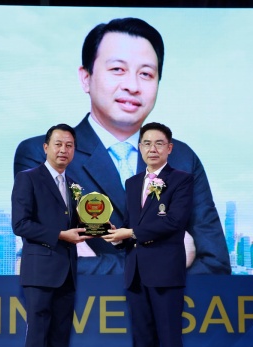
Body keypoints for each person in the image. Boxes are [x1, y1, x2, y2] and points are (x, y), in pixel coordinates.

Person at [14, 17, 230, 275]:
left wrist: (94, 264)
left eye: (146, 74)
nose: (132, 86)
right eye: (118, 69)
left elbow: (215, 265)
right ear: (86, 78)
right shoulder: (42, 153)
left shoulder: (181, 158)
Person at [103, 122, 192, 347]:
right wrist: (118, 236)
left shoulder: (181, 180)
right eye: (146, 143)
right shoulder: (132, 183)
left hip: (165, 272)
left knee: (170, 340)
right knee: (142, 340)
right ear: (139, 148)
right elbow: (131, 223)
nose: (152, 148)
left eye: (159, 143)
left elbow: (175, 222)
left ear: (169, 148)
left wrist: (131, 232)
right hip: (136, 272)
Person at [11, 123, 91, 347]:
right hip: (40, 274)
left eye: (69, 145)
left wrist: (103, 229)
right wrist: (59, 235)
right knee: (37, 342)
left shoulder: (74, 185)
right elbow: (20, 224)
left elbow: (79, 225)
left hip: (67, 274)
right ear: (46, 147)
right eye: (58, 144)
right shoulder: (28, 178)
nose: (63, 150)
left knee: (59, 342)